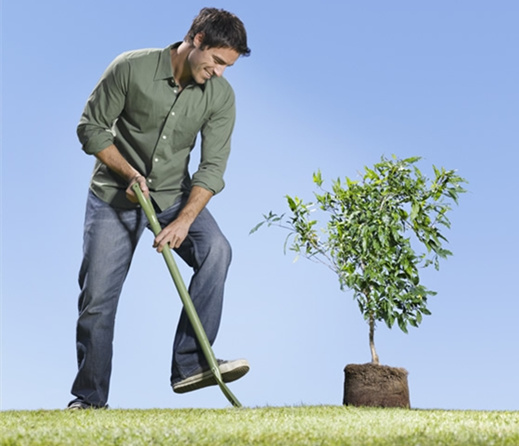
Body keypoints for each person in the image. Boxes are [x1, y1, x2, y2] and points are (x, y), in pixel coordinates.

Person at [68, 7, 251, 410]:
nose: (220, 72)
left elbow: (212, 168)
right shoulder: (130, 68)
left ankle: (189, 364)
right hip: (114, 198)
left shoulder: (220, 95)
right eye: (218, 61)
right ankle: (89, 400)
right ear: (197, 40)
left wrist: (184, 221)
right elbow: (91, 128)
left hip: (172, 198)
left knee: (217, 251)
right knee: (97, 299)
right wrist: (129, 173)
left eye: (228, 67)